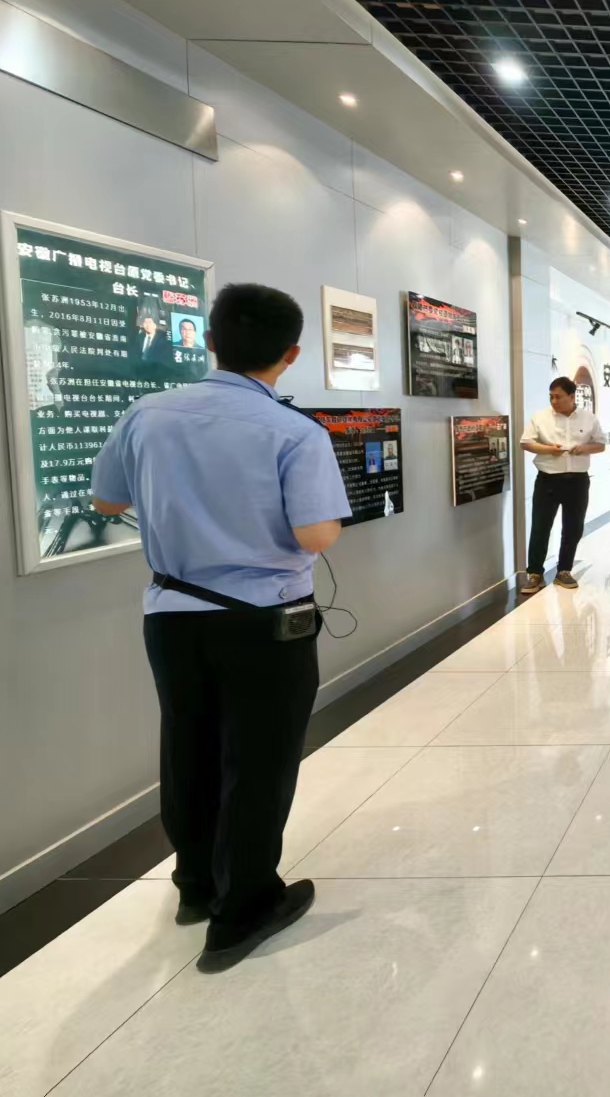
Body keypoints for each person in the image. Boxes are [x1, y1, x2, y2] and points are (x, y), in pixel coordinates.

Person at [90, 283, 349, 973]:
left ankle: (197, 885)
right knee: (259, 760)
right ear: (291, 353)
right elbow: (317, 534)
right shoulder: (295, 432)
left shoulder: (146, 414)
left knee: (189, 744)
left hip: (172, 617)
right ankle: (244, 910)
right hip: (266, 622)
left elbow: (107, 499)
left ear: (210, 341)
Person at [519, 376, 607, 594]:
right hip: (548, 480)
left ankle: (564, 571)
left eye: (558, 397)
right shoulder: (541, 417)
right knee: (540, 527)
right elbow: (525, 442)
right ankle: (535, 574)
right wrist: (549, 450)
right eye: (551, 397)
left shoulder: (588, 418)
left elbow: (600, 444)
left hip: (577, 481)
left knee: (573, 527)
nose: (554, 401)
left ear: (572, 396)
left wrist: (584, 448)